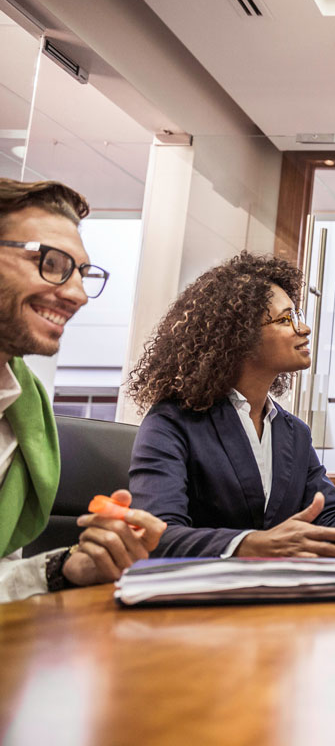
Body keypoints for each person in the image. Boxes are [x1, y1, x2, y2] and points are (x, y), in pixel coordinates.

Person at [127, 252, 335, 558]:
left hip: (280, 596)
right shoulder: (171, 423)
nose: (304, 329)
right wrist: (251, 545)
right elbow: (156, 533)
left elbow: (329, 515)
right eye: (286, 319)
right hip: (200, 598)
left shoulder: (295, 434)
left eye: (297, 316)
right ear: (240, 337)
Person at [0, 178, 165, 602]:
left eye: (82, 273)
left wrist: (63, 569)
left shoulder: (22, 407)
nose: (77, 294)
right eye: (51, 263)